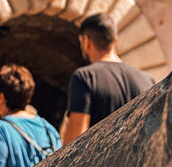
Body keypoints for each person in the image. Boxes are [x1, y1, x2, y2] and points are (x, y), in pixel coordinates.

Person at [61, 12, 155, 144]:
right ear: (115, 41)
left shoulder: (85, 77)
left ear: (86, 41)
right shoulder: (147, 80)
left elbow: (72, 144)